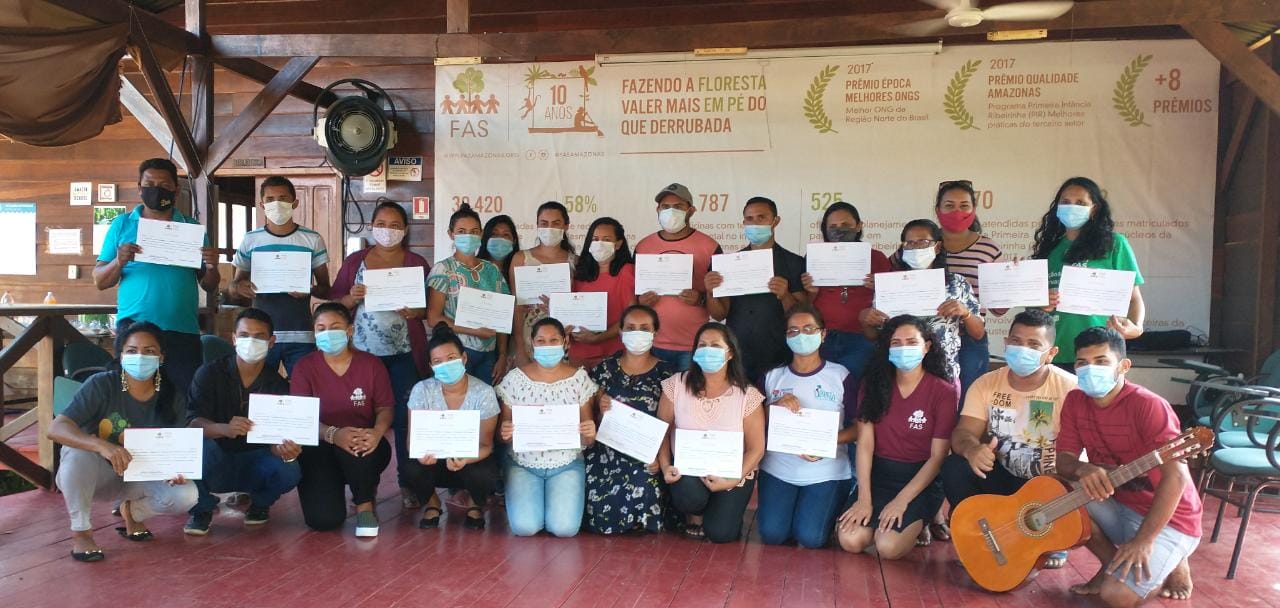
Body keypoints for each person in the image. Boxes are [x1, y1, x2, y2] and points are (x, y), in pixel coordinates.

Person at [1057, 328, 1200, 606]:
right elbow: (1063, 459)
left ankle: (1172, 558)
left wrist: (1144, 541)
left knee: (1116, 595)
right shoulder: (1075, 400)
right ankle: (1112, 566)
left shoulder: (1149, 406)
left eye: (1101, 361)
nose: (1090, 369)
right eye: (1082, 363)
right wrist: (1081, 469)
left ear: (1123, 366)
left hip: (1170, 518)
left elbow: (1177, 478)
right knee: (1058, 492)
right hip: (1118, 505)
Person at [48, 321, 198, 562]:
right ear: (120, 355)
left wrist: (177, 470)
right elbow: (57, 428)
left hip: (139, 477)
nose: (140, 357)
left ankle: (132, 512)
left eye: (149, 351)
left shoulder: (173, 396)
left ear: (161, 357)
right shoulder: (102, 384)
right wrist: (102, 445)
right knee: (77, 453)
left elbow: (177, 447)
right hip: (94, 475)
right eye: (132, 351)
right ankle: (82, 532)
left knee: (186, 495)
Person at [941, 309, 1077, 568]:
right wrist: (972, 450)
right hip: (1004, 477)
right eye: (1015, 341)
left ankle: (1053, 540)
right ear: (1005, 343)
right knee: (956, 467)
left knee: (1070, 475)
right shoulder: (986, 384)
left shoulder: (1071, 389)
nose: (1022, 349)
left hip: (1050, 485)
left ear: (1051, 353)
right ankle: (975, 535)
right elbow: (963, 433)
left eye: (1033, 344)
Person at [331, 201, 428, 509]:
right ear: (372, 226)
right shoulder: (355, 261)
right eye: (382, 224)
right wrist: (351, 297)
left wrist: (417, 311)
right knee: (361, 417)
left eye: (396, 225)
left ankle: (408, 483)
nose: (388, 231)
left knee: (403, 419)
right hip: (361, 357)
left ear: (406, 229)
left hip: (403, 355)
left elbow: (429, 308)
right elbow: (335, 306)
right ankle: (366, 486)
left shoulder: (416, 262)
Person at [93, 158, 220, 391]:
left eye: (164, 184)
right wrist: (118, 261)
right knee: (131, 396)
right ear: (140, 188)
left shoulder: (190, 229)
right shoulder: (121, 225)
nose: (157, 189)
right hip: (134, 329)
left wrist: (212, 268)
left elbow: (210, 285)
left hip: (182, 331)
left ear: (175, 190)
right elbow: (100, 280)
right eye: (150, 183)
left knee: (183, 397)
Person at [835, 315, 957, 560]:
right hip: (880, 477)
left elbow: (937, 457)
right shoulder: (873, 385)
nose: (904, 349)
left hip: (919, 481)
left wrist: (902, 501)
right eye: (896, 343)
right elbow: (865, 445)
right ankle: (897, 520)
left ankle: (923, 520)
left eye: (912, 342)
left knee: (887, 547)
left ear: (927, 347)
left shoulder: (944, 391)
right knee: (851, 540)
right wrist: (864, 499)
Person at [183, 308, 302, 536]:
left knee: (290, 468)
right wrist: (223, 429)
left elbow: (282, 435)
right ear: (234, 338)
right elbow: (192, 423)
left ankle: (260, 503)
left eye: (259, 336)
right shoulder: (209, 374)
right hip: (215, 457)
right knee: (189, 449)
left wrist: (285, 450)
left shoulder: (278, 385)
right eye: (245, 335)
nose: (251, 341)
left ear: (271, 342)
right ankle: (202, 509)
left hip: (256, 460)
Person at [289, 303, 393, 536]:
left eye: (335, 327)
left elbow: (385, 407)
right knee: (323, 520)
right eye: (321, 328)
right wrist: (334, 435)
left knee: (357, 443)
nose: (327, 333)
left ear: (350, 330)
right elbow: (301, 417)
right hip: (319, 444)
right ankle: (332, 486)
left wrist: (376, 433)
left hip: (362, 443)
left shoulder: (371, 364)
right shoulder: (304, 367)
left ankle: (365, 504)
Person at [757, 304, 855, 549]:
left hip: (827, 472)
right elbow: (751, 421)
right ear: (785, 337)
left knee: (811, 538)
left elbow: (861, 428)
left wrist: (827, 442)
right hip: (778, 469)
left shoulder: (841, 376)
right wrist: (774, 407)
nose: (801, 336)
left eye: (809, 329)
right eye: (793, 331)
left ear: (823, 334)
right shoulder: (772, 376)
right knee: (772, 535)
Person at [657, 322, 766, 543]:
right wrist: (666, 465)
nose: (708, 350)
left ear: (730, 353)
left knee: (721, 534)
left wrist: (732, 479)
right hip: (689, 471)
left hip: (732, 473)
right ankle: (695, 512)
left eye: (715, 345)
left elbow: (756, 448)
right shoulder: (677, 385)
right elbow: (662, 431)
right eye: (702, 345)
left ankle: (720, 513)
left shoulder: (747, 394)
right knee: (689, 498)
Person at [496, 317, 599, 537]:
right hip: (522, 464)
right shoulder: (514, 379)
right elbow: (502, 437)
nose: (547, 345)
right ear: (531, 343)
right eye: (541, 340)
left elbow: (588, 440)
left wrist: (590, 432)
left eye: (554, 340)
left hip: (567, 463)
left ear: (565, 342)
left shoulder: (579, 378)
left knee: (565, 529)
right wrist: (505, 432)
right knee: (525, 528)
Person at [1032, 177, 1145, 367]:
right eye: (1065, 202)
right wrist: (1039, 301)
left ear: (1094, 209)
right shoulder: (1050, 249)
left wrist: (1137, 327)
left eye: (1081, 203)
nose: (1071, 207)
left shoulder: (1114, 244)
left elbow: (1134, 298)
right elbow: (1033, 309)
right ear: (1057, 207)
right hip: (1056, 349)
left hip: (1102, 351)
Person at [584, 304, 675, 535]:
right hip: (606, 451)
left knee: (644, 488)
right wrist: (599, 409)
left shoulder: (668, 375)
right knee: (599, 505)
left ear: (655, 332)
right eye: (631, 328)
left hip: (646, 454)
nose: (637, 333)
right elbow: (587, 419)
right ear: (621, 333)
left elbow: (672, 424)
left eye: (645, 328)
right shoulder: (603, 369)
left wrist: (661, 459)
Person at [228, 176, 331, 376]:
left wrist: (309, 290)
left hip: (301, 334)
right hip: (260, 336)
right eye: (270, 199)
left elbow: (326, 289)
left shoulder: (312, 239)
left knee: (304, 393)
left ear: (295, 203)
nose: (277, 204)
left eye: (283, 198)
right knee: (260, 393)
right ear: (262, 204)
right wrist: (239, 287)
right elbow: (233, 287)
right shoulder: (251, 240)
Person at [403, 323, 501, 530]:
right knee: (410, 467)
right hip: (434, 461)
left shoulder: (483, 392)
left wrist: (465, 458)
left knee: (485, 472)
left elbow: (487, 445)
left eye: (451, 359)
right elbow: (413, 442)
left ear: (464, 359)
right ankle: (432, 504)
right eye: (437, 361)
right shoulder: (421, 390)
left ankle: (475, 504)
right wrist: (420, 454)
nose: (445, 365)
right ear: (430, 366)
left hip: (470, 460)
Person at [866, 219, 985, 384]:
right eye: (909, 243)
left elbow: (978, 333)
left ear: (937, 247)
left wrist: (965, 313)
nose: (915, 248)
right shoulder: (889, 285)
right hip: (897, 374)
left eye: (923, 243)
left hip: (944, 374)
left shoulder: (956, 283)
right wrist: (868, 321)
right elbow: (874, 335)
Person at [705, 197, 806, 384]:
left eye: (761, 217)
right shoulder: (731, 263)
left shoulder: (794, 263)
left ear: (775, 221)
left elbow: (802, 314)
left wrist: (785, 296)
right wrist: (710, 292)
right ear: (743, 222)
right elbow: (719, 314)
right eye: (749, 219)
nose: (755, 223)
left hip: (780, 354)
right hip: (738, 353)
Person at [801, 201, 891, 391]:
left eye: (846, 225)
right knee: (821, 391)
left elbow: (891, 302)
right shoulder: (814, 258)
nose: (839, 231)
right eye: (832, 226)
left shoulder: (877, 258)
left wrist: (880, 286)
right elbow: (803, 306)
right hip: (821, 338)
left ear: (859, 226)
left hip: (861, 338)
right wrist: (812, 293)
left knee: (853, 392)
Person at [634, 183, 722, 371]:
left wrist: (701, 299)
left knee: (688, 398)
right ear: (657, 210)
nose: (671, 212)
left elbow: (721, 311)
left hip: (692, 346)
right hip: (650, 344)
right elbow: (631, 299)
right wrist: (640, 301)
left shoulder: (710, 246)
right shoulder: (643, 246)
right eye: (665, 207)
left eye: (678, 207)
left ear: (691, 211)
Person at [427, 203, 512, 384]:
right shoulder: (443, 269)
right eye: (462, 231)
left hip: (489, 354)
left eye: (474, 231)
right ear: (451, 234)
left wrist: (502, 355)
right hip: (456, 352)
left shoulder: (492, 270)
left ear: (481, 234)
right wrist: (473, 331)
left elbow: (502, 318)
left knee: (484, 404)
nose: (469, 236)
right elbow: (434, 318)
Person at [934, 180, 1003, 401]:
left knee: (969, 404)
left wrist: (1015, 280)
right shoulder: (922, 245)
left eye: (964, 205)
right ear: (938, 210)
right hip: (931, 338)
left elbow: (999, 309)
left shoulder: (989, 248)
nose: (957, 211)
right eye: (949, 205)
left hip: (971, 337)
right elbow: (895, 278)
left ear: (974, 209)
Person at [508, 201, 577, 367]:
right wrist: (520, 347)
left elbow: (577, 304)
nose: (549, 228)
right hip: (527, 336)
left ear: (566, 226)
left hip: (560, 338)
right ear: (537, 225)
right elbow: (516, 306)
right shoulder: (521, 258)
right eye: (544, 223)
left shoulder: (575, 261)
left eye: (556, 223)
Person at [569, 217, 636, 370]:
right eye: (595, 239)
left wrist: (598, 338)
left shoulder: (626, 271)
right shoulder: (579, 272)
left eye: (606, 239)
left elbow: (629, 317)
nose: (599, 244)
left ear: (618, 244)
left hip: (613, 353)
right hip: (580, 351)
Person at [478, 214, 520, 278]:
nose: (500, 238)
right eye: (494, 234)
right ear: (485, 238)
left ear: (514, 241)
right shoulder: (473, 268)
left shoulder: (520, 270)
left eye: (506, 235)